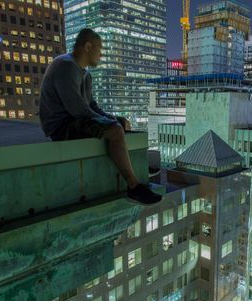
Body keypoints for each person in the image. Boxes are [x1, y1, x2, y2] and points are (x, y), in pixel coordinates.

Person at [39, 28, 162, 205]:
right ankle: (134, 187)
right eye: (100, 49)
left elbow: (91, 105)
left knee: (121, 123)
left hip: (76, 120)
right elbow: (76, 108)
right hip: (62, 126)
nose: (101, 54)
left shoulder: (85, 74)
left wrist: (112, 118)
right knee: (116, 130)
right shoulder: (65, 66)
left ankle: (133, 166)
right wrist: (109, 123)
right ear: (88, 47)